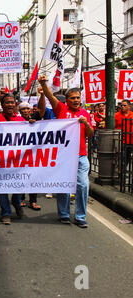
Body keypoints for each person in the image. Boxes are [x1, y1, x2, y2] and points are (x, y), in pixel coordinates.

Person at [38, 75, 93, 228]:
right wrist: (44, 84)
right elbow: (50, 96)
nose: (76, 100)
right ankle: (64, 214)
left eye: (78, 98)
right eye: (73, 98)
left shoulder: (85, 113)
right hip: (63, 156)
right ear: (67, 100)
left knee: (83, 185)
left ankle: (81, 216)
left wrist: (86, 124)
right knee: (63, 185)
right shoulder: (61, 109)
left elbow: (90, 134)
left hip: (81, 156)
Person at [0, 91, 25, 225]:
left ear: (15, 104)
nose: (10, 104)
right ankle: (6, 213)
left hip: (18, 160)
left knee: (20, 185)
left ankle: (16, 201)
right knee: (1, 187)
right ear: (2, 105)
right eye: (7, 102)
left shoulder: (21, 120)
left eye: (12, 102)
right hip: (1, 160)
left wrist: (32, 124)